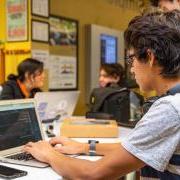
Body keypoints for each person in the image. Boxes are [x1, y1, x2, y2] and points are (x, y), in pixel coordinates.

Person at [24, 10, 180, 179]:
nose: (132, 68)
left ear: (150, 57)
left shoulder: (170, 109)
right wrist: (83, 147)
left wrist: (49, 154)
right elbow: (134, 147)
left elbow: (92, 174)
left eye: (131, 59)